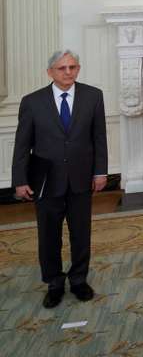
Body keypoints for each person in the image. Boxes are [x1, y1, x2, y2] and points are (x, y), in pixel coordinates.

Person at [10, 50, 108, 309]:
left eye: (73, 67)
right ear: (50, 72)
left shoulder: (93, 96)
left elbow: (99, 138)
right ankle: (54, 283)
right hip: (46, 181)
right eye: (62, 68)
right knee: (49, 236)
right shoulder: (32, 102)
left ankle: (78, 280)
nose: (68, 72)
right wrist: (20, 180)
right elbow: (22, 146)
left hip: (81, 179)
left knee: (80, 233)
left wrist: (100, 172)